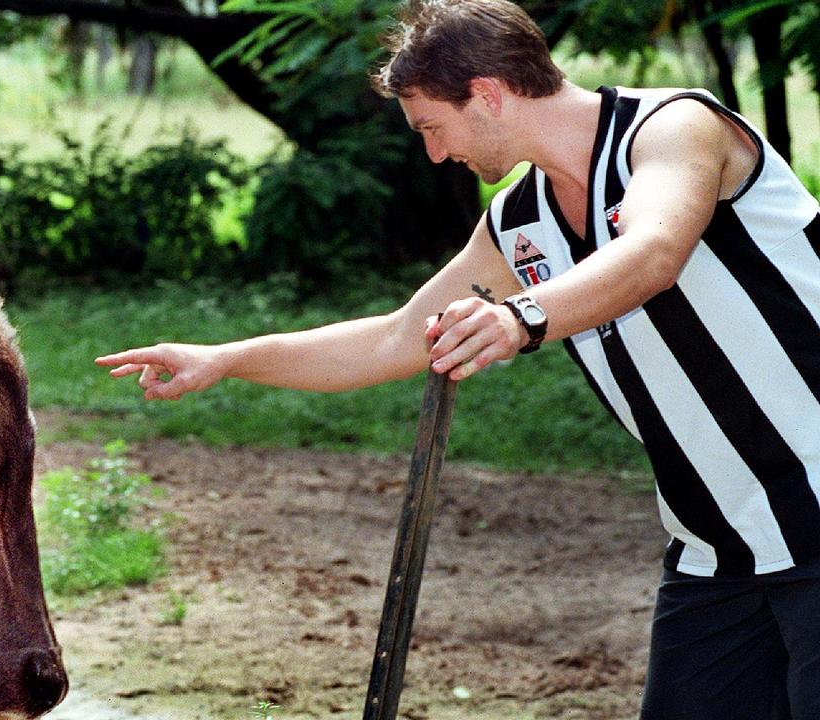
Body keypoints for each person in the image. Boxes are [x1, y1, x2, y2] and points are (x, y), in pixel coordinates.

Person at [94, 0, 820, 717]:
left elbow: (653, 251)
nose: (436, 154)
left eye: (433, 128)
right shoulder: (520, 222)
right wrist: (225, 357)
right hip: (716, 555)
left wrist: (520, 317)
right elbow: (395, 336)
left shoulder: (673, 129)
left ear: (489, 95)